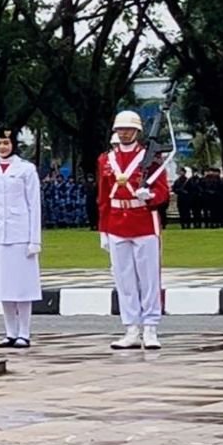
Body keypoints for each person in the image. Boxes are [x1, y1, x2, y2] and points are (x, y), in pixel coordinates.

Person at [97, 110, 170, 350]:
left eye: (128, 129)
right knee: (124, 279)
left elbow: (162, 191)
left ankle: (150, 327)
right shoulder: (106, 160)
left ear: (137, 132)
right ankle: (131, 328)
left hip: (144, 221)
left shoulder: (151, 157)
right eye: (120, 129)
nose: (124, 132)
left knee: (149, 279)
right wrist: (103, 230)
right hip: (117, 222)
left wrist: (149, 196)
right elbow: (103, 198)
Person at [0, 128, 42, 348]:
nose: (2, 147)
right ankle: (10, 332)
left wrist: (35, 239)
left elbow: (34, 204)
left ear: (13, 144)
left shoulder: (26, 169)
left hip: (20, 234)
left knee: (22, 286)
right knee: (3, 285)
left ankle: (24, 332)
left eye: (6, 142)